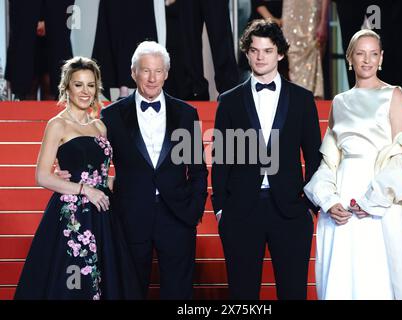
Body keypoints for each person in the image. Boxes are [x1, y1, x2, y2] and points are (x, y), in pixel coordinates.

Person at [304, 29, 402, 300]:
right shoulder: (339, 102)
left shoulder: (393, 96)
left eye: (373, 54)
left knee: (379, 270)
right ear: (350, 58)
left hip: (379, 194)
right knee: (344, 271)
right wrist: (328, 200)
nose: (367, 60)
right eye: (360, 53)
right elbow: (330, 160)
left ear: (381, 58)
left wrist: (373, 200)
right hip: (343, 195)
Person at [212, 19, 322, 299]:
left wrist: (309, 205)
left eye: (268, 50)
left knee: (293, 290)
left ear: (280, 53)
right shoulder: (229, 100)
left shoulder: (302, 99)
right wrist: (221, 209)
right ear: (247, 53)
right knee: (242, 293)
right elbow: (222, 158)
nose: (261, 56)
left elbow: (314, 156)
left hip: (291, 210)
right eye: (255, 50)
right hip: (240, 211)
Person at [14, 57, 141, 300]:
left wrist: (118, 184)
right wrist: (85, 190)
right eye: (79, 85)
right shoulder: (57, 125)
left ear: (97, 88)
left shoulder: (100, 127)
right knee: (72, 282)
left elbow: (102, 173)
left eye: (91, 85)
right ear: (67, 87)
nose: (85, 92)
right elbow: (42, 176)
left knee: (107, 280)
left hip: (104, 215)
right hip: (73, 216)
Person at [100, 41, 208, 299]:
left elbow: (197, 169)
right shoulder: (112, 115)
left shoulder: (186, 113)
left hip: (177, 216)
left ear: (167, 74)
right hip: (130, 217)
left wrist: (193, 211)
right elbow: (98, 163)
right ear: (133, 72)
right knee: (130, 291)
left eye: (158, 71)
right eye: (145, 70)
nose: (152, 78)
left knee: (179, 292)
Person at [282, 0, 330, 99]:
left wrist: (323, 21)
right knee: (292, 52)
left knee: (313, 51)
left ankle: (310, 103)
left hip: (311, 9)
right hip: (291, 10)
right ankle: (297, 101)